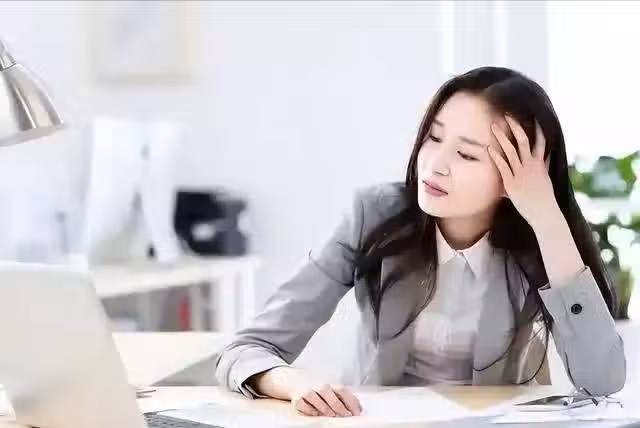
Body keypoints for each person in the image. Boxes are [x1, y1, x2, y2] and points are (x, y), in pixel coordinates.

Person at [215, 66, 626, 418]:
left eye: (467, 155)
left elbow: (601, 381)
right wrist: (295, 383)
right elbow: (248, 349)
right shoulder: (374, 215)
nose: (436, 165)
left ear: (518, 177)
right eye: (433, 137)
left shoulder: (539, 242)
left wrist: (547, 217)